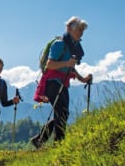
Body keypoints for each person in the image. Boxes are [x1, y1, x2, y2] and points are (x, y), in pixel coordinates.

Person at [31, 16, 93, 148]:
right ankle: (59, 144)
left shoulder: (72, 46)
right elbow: (50, 65)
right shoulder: (59, 44)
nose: (81, 33)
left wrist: (83, 79)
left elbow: (70, 68)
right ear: (70, 29)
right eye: (79, 30)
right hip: (52, 83)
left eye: (82, 30)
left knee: (63, 113)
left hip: (62, 83)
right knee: (61, 112)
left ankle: (40, 140)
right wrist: (67, 62)